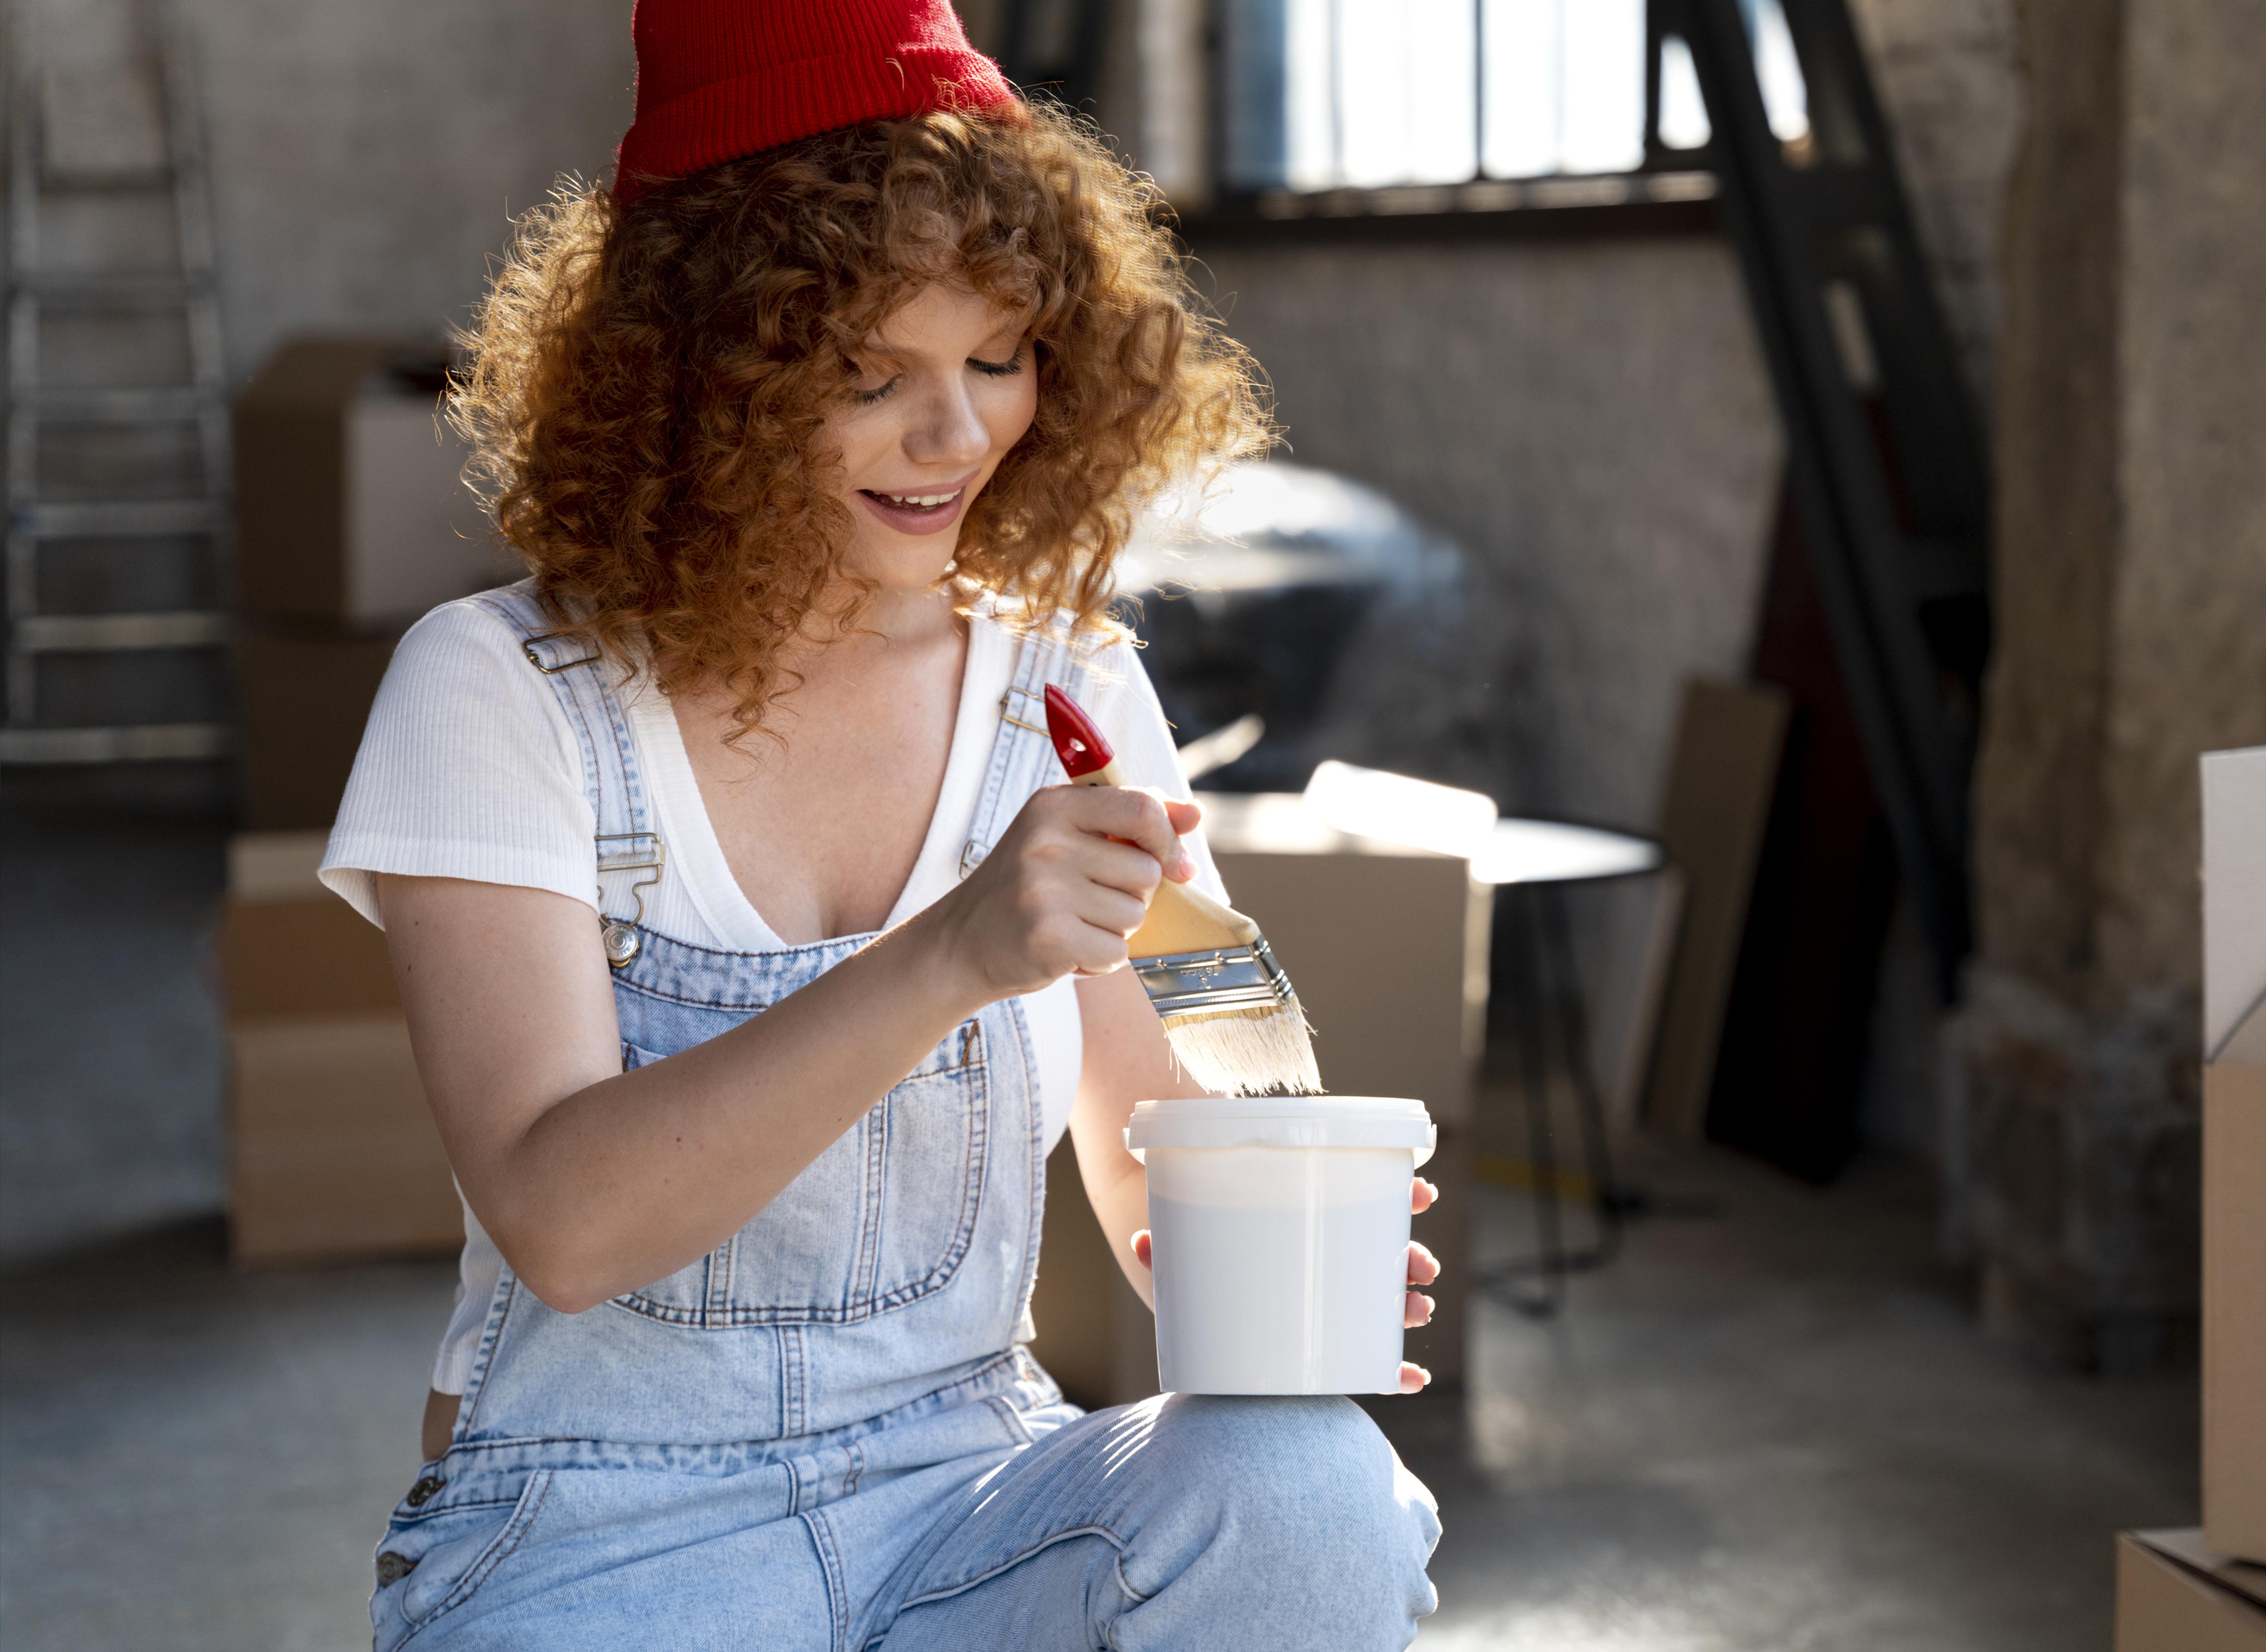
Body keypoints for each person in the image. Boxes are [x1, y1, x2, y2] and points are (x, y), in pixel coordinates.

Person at [322, 4, 1442, 1645]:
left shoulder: (1067, 688)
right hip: (600, 1532)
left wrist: (1275, 1240)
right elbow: (562, 1224)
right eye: (870, 377)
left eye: (1000, 358)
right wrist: (952, 955)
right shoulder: (501, 691)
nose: (959, 435)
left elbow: (1155, 1155)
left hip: (968, 1490)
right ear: (697, 376)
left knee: (1308, 1486)